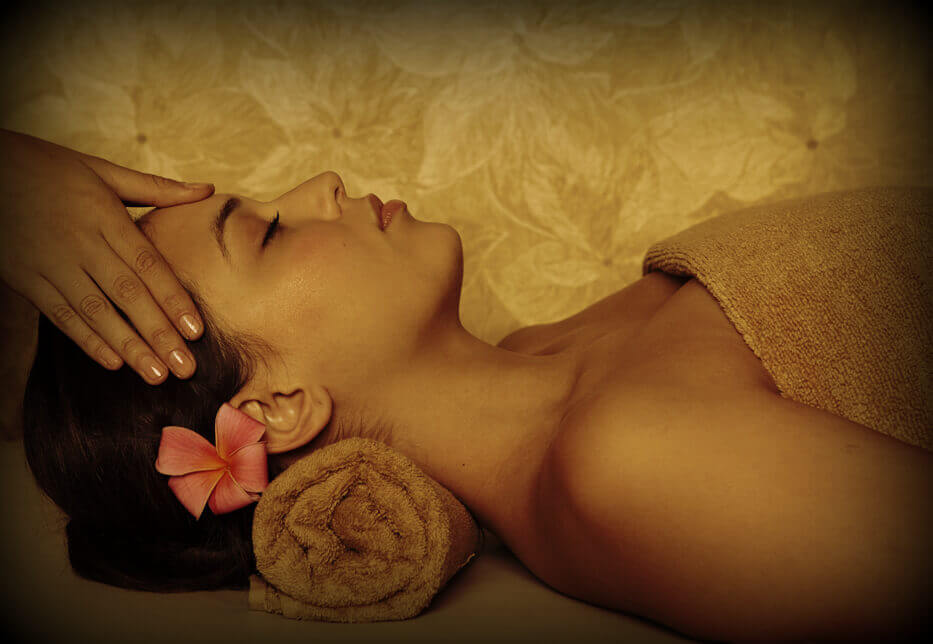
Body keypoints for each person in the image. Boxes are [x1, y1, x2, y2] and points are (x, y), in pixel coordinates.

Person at [7, 132, 930, 639]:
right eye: (268, 233)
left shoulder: (547, 350)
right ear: (276, 408)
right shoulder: (627, 462)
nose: (322, 181)